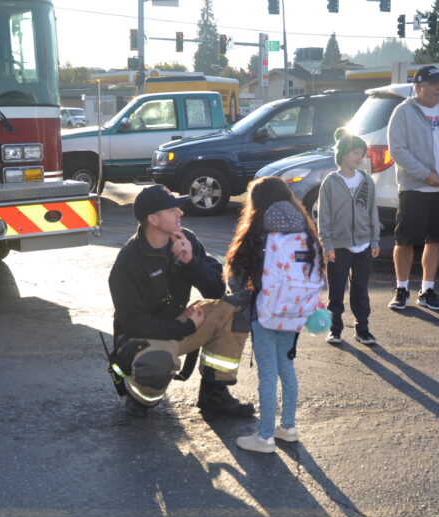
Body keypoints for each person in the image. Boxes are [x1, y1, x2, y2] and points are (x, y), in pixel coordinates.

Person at [108, 185, 254, 418]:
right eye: (172, 210)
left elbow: (217, 289)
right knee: (156, 364)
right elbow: (135, 322)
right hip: (143, 336)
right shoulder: (129, 261)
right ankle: (142, 398)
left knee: (234, 308)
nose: (180, 213)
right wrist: (185, 328)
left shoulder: (187, 239)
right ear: (153, 219)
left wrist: (190, 263)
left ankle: (214, 395)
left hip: (178, 323)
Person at [224, 177, 323, 453]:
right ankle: (288, 428)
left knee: (267, 374)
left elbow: (236, 276)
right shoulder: (305, 232)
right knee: (286, 367)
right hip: (297, 311)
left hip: (265, 311)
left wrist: (242, 303)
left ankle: (265, 436)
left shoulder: (259, 231)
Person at [386, 65, 439, 311]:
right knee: (404, 241)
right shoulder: (403, 112)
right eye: (433, 83)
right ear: (418, 87)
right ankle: (402, 289)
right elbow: (398, 150)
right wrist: (426, 175)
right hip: (414, 188)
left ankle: (427, 290)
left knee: (435, 240)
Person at [317, 128, 380, 345]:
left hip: (363, 245)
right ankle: (335, 329)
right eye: (355, 152)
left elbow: (372, 211)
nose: (359, 157)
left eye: (362, 153)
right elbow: (323, 217)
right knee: (336, 292)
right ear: (343, 154)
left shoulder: (366, 181)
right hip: (339, 246)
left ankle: (362, 330)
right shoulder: (330, 182)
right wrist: (327, 244)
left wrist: (374, 240)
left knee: (361, 291)